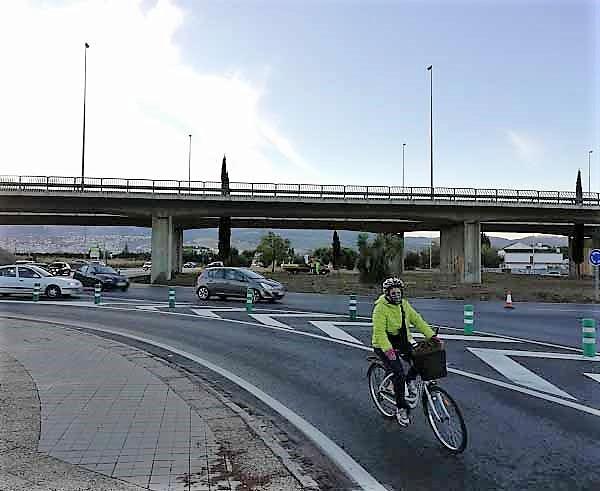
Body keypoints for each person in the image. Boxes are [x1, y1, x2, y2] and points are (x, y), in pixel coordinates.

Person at [372, 277, 441, 427]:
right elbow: (379, 332)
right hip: (383, 344)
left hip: (402, 341)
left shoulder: (404, 305)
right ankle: (401, 408)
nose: (396, 295)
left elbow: (417, 320)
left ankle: (410, 381)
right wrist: (388, 350)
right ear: (387, 294)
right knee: (398, 373)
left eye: (399, 292)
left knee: (420, 360)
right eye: (393, 292)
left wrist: (432, 336)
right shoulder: (380, 308)